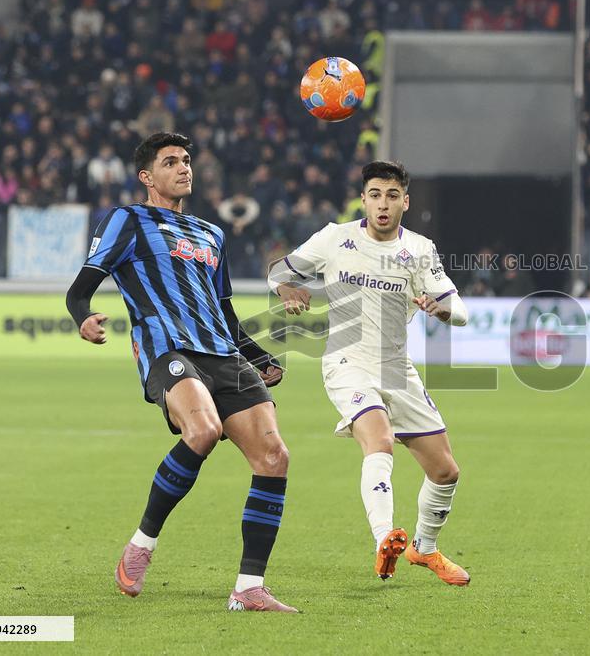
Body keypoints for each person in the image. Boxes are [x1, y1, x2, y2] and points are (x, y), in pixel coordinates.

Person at [64, 132, 297, 612]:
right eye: (171, 162)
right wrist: (82, 316)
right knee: (204, 429)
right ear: (147, 176)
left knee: (274, 457)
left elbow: (224, 311)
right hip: (167, 346)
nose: (184, 168)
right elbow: (81, 286)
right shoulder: (127, 220)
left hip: (222, 352)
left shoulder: (212, 234)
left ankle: (249, 587)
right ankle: (142, 544)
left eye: (187, 160)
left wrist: (257, 356)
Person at [268, 161, 471, 586]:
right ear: (363, 199)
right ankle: (385, 539)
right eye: (375, 194)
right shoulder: (333, 238)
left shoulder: (419, 249)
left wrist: (443, 308)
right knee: (379, 441)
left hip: (398, 368)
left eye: (392, 195)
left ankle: (424, 549)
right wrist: (288, 289)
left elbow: (460, 308)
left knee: (446, 471)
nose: (383, 204)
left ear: (405, 202)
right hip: (347, 362)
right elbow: (278, 271)